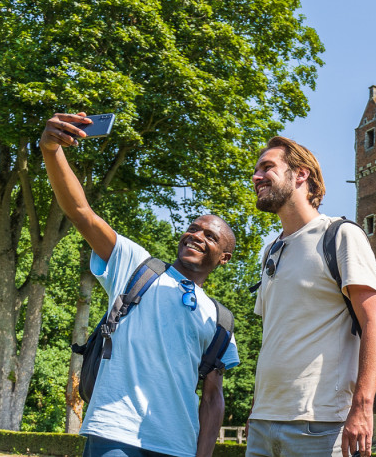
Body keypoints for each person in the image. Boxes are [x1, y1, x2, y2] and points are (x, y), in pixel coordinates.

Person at [41, 113, 239, 457]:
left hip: (177, 446)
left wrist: (203, 454)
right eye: (193, 227)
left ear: (224, 258)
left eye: (210, 236)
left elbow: (212, 397)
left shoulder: (220, 320)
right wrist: (51, 150)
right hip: (115, 433)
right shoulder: (137, 266)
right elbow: (80, 212)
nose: (196, 235)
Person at [246, 136, 376, 457]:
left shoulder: (340, 235)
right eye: (255, 170)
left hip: (321, 422)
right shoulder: (271, 250)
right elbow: (275, 337)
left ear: (301, 174)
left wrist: (362, 408)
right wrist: (256, 410)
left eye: (267, 167)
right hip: (264, 423)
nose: (256, 177)